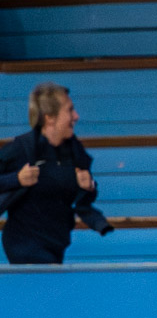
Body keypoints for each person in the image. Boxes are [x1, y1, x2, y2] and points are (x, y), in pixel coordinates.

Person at [0, 83, 112, 264]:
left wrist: (89, 187)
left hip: (56, 244)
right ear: (50, 118)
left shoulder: (74, 150)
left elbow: (83, 198)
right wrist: (16, 179)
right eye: (70, 110)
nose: (76, 116)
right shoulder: (22, 149)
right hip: (25, 245)